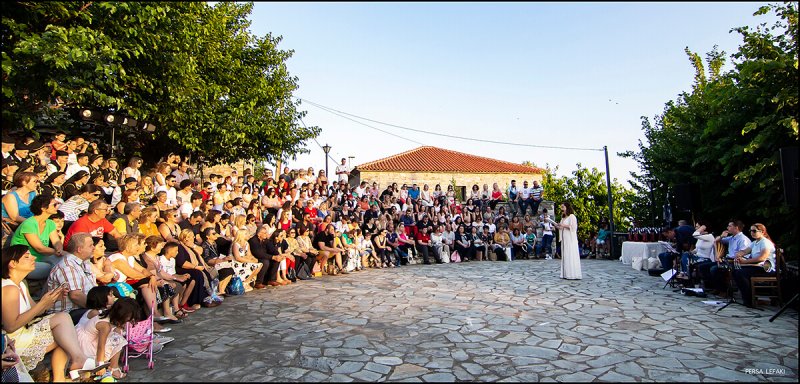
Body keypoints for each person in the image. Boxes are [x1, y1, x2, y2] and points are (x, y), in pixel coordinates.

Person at [2, 245, 108, 382]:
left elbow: (35, 311)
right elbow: (11, 326)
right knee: (63, 321)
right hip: (14, 340)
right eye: (27, 256)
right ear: (12, 264)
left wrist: (52, 299)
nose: (33, 258)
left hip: (24, 332)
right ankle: (76, 362)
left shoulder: (20, 284)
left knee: (66, 335)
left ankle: (68, 370)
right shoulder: (8, 288)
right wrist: (42, 303)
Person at [75, 286, 134, 379]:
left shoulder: (101, 313)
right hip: (84, 343)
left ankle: (109, 365)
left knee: (117, 334)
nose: (113, 297)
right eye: (110, 295)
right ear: (102, 298)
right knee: (117, 338)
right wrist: (100, 364)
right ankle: (111, 367)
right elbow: (101, 343)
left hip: (88, 338)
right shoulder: (96, 314)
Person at [10, 194, 64, 281]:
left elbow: (56, 241)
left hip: (41, 258)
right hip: (24, 262)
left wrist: (60, 250)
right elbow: (39, 248)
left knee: (67, 262)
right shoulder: (29, 224)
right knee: (57, 269)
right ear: (43, 208)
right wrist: (59, 252)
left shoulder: (50, 223)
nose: (57, 207)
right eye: (54, 205)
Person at [732, 223, 776, 308]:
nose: (752, 232)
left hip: (766, 268)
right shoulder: (755, 242)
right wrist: (739, 254)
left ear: (762, 232)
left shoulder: (765, 242)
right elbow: (745, 251)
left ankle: (749, 300)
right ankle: (747, 298)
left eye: (754, 231)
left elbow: (762, 258)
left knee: (741, 273)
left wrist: (745, 262)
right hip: (757, 266)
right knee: (735, 270)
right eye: (750, 231)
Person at [554, 202, 581, 280]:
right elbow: (562, 228)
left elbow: (573, 227)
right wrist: (557, 226)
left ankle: (572, 273)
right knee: (565, 255)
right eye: (561, 207)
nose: (561, 209)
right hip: (564, 239)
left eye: (563, 207)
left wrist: (563, 225)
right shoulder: (563, 218)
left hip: (570, 239)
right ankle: (565, 273)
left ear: (567, 207)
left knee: (570, 254)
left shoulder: (572, 216)